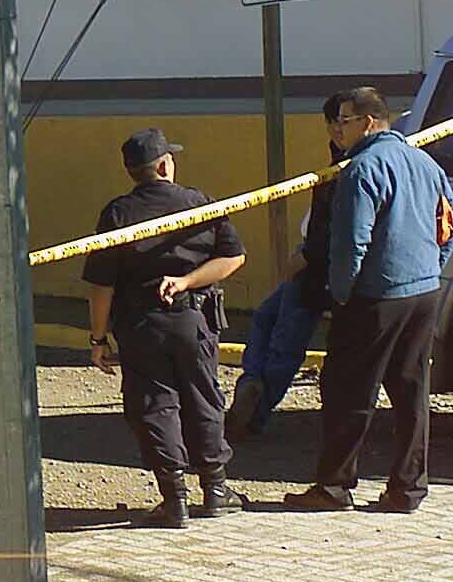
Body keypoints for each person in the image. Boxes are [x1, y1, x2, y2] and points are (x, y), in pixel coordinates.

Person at [285, 87, 453, 513]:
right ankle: (408, 489)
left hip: (376, 296)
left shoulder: (360, 169)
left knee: (347, 391)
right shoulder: (425, 163)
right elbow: (447, 224)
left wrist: (341, 295)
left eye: (343, 121)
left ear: (368, 123)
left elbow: (351, 243)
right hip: (424, 291)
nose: (337, 129)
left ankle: (334, 487)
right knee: (411, 390)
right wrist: (434, 265)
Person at [83, 128, 248, 528]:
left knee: (155, 405)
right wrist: (188, 281)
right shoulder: (199, 203)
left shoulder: (117, 214)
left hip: (142, 325)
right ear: (163, 165)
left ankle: (175, 500)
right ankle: (216, 489)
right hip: (195, 319)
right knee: (203, 399)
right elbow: (233, 258)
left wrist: (98, 338)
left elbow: (101, 285)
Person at [227, 92, 350, 440]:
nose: (338, 129)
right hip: (317, 262)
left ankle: (254, 414)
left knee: (285, 343)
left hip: (325, 269)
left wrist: (306, 256)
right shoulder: (341, 157)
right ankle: (251, 386)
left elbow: (339, 227)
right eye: (334, 121)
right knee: (268, 318)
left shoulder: (356, 163)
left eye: (345, 121)